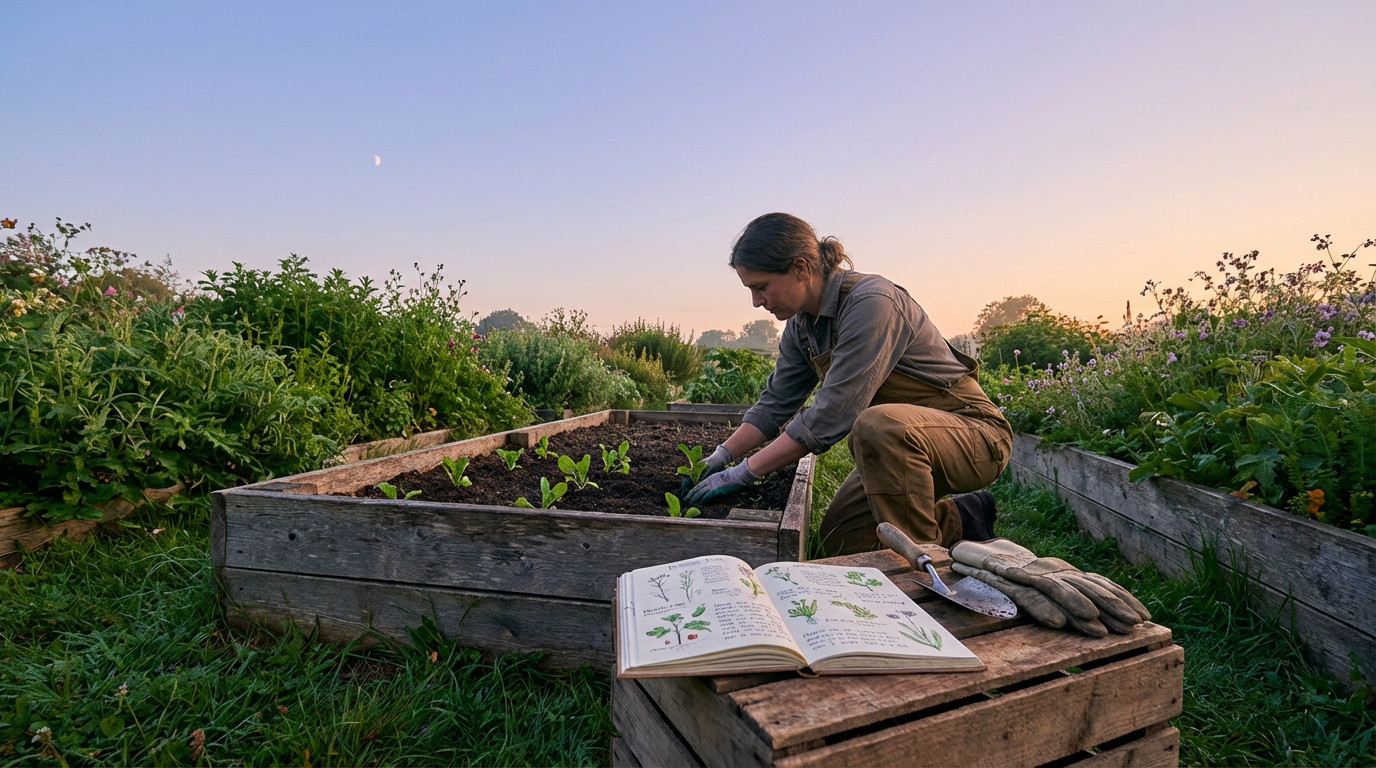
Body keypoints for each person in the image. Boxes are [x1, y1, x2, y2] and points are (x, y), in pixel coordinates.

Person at [682, 213, 1013, 554]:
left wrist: (744, 473)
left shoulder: (872, 302)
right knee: (840, 540)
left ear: (799, 268)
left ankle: (925, 568)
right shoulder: (801, 327)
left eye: (761, 287)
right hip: (902, 444)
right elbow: (774, 403)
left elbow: (831, 414)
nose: (756, 301)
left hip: (974, 435)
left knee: (877, 424)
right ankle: (964, 517)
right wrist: (721, 457)